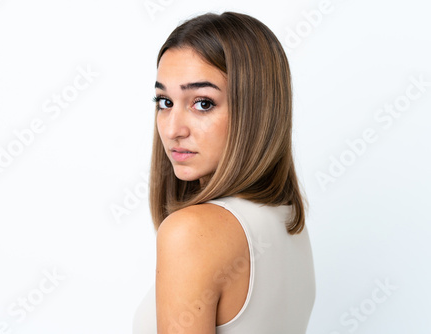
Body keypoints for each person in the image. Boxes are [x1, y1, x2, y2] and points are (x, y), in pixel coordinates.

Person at [133, 11, 315, 333]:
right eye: (164, 102)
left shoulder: (190, 232)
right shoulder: (288, 221)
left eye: (202, 103)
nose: (173, 129)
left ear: (255, 110)